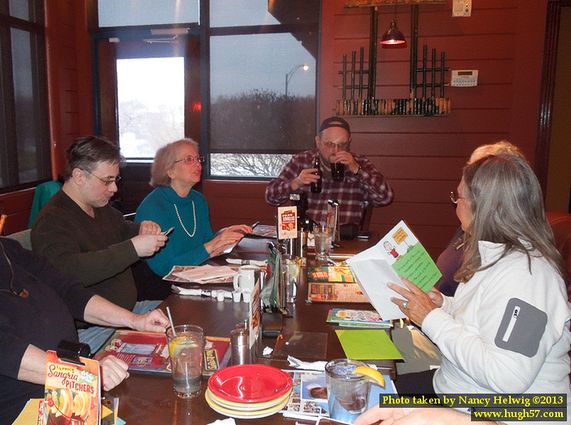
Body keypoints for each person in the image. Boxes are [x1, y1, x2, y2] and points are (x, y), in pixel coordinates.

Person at [388, 154, 570, 422]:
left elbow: (508, 377)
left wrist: (430, 317)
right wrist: (443, 304)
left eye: (459, 197)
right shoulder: (494, 253)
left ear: (484, 208)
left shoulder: (529, 278)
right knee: (369, 391)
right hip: (459, 391)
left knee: (369, 404)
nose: (456, 205)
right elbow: (485, 319)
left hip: (503, 413)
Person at [0, 237, 170, 424]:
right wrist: (84, 375)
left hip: (72, 386)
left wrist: (136, 321)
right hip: (24, 408)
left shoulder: (9, 249)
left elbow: (69, 292)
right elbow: (7, 351)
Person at [31, 136, 168, 352]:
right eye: (107, 180)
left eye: (116, 180)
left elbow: (124, 230)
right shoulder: (52, 221)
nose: (114, 188)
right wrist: (133, 248)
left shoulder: (100, 207)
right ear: (79, 176)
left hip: (130, 311)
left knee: (187, 325)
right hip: (91, 328)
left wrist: (143, 228)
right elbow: (68, 271)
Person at [135, 138, 251, 277]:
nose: (198, 164)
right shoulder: (153, 207)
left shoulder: (198, 200)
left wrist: (223, 235)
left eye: (197, 158)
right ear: (170, 171)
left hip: (197, 275)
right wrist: (213, 245)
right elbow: (166, 268)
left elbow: (204, 245)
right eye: (189, 159)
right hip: (164, 288)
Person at [265, 116, 393, 234]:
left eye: (342, 145)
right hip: (305, 240)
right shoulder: (302, 161)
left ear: (349, 142)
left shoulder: (359, 163)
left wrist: (358, 171)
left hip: (343, 242)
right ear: (318, 141)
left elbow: (385, 198)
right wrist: (295, 183)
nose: (335, 151)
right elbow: (270, 196)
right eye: (330, 144)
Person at [436, 140, 525, 296]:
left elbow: (474, 312)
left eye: (477, 170)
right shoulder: (470, 223)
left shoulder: (507, 256)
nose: (466, 174)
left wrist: (431, 313)